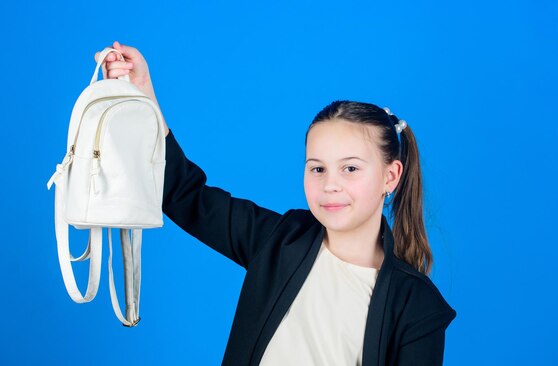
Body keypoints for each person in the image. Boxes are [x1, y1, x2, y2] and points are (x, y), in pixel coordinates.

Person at [96, 41, 456, 366]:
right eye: (317, 168)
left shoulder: (417, 305)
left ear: (390, 177)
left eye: (350, 168)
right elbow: (184, 195)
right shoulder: (280, 240)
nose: (330, 185)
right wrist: (143, 97)